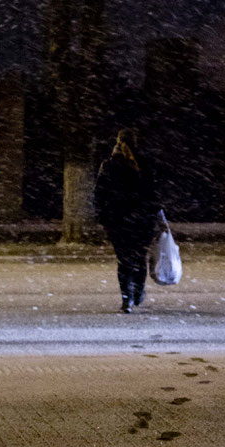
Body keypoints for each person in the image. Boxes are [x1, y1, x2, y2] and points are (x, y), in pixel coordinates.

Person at [94, 129, 163, 312]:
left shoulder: (109, 165)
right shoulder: (145, 163)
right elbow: (154, 193)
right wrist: (155, 214)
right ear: (135, 142)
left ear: (117, 142)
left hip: (118, 220)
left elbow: (100, 193)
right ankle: (138, 291)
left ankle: (126, 299)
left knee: (124, 260)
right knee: (139, 258)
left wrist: (103, 217)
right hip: (142, 220)